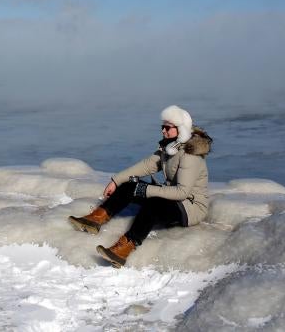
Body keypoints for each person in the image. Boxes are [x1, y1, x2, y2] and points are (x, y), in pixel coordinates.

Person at [68, 105, 212, 268]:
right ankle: (96, 219)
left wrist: (147, 190)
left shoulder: (190, 155)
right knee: (130, 185)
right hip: (174, 199)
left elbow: (182, 192)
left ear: (180, 130)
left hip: (190, 207)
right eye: (162, 127)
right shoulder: (169, 148)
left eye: (167, 128)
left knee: (153, 204)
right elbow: (146, 165)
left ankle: (124, 248)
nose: (163, 131)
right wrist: (116, 180)